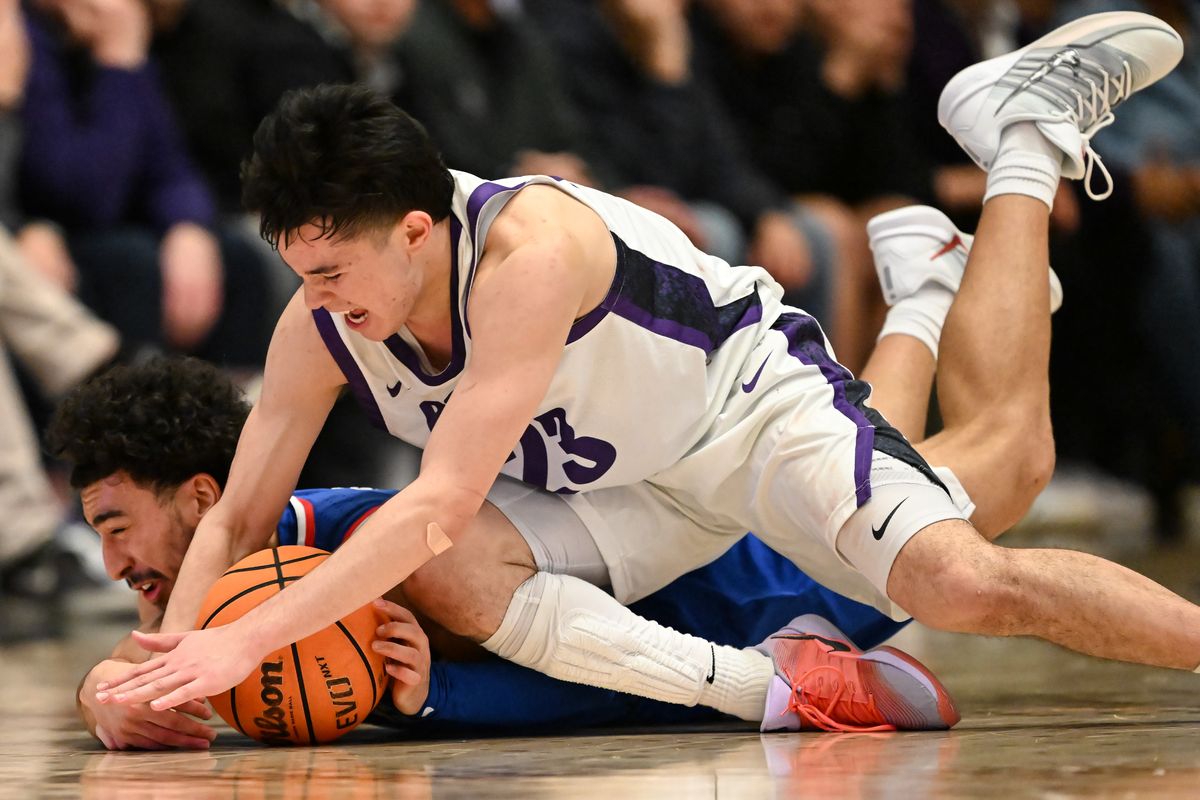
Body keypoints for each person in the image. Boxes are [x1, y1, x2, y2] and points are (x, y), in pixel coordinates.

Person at [97, 13, 1200, 733]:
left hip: (744, 415)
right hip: (621, 487)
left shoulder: (528, 257)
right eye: (303, 273)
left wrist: (244, 639)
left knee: (963, 581)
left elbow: (436, 502)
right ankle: (774, 685)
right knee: (453, 573)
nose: (319, 300)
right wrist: (155, 669)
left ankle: (1010, 153)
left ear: (419, 232)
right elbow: (238, 515)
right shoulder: (321, 316)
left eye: (335, 271)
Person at [54, 358, 912, 748]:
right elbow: (127, 667)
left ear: (204, 500)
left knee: (945, 482)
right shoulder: (205, 603)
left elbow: (604, 696)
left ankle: (929, 279)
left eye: (116, 525)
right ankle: (920, 283)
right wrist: (102, 701)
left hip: (722, 591)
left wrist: (442, 696)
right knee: (896, 449)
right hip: (657, 630)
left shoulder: (344, 534)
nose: (113, 564)